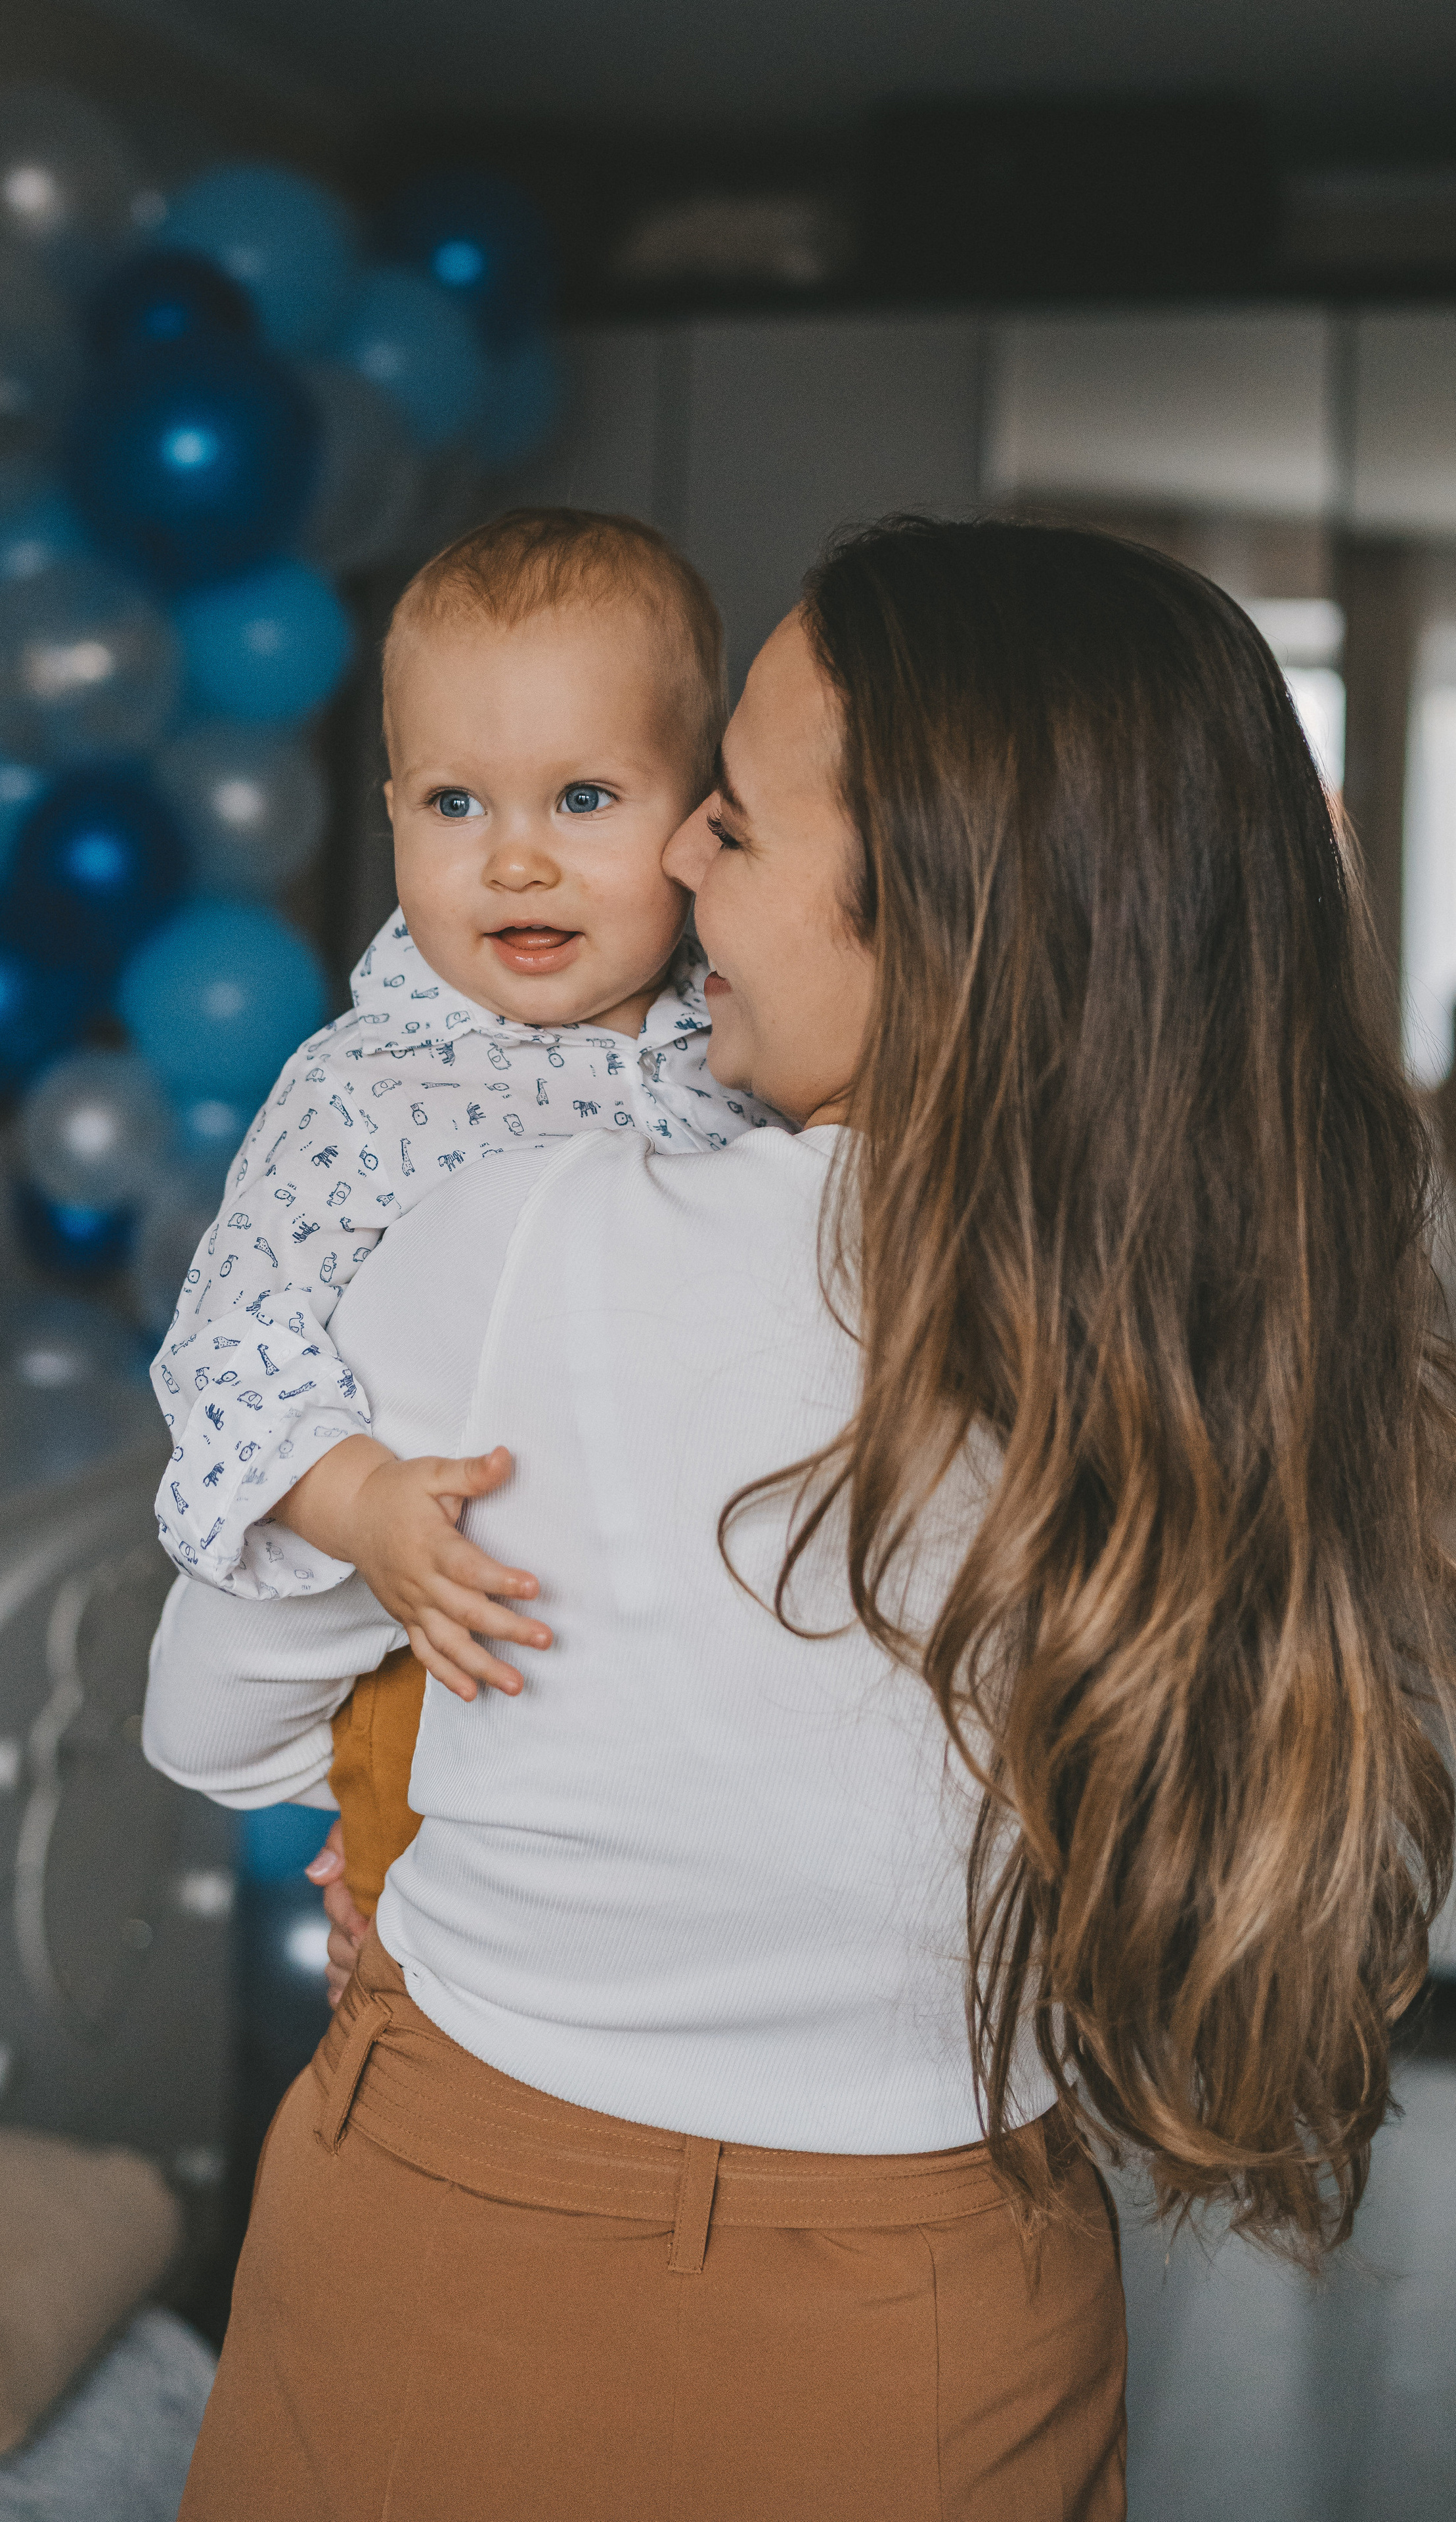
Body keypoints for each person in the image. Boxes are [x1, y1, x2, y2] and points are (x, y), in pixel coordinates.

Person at [145, 518, 1456, 2521]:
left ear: (924, 911)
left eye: (726, 826)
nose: (665, 862)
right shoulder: (1258, 1324)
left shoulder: (514, 1233)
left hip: (462, 2233)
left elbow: (208, 1724)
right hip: (954, 2305)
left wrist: (416, 1768)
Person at [149, 508, 781, 1913]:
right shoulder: (365, 1088)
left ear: (701, 822)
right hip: (415, 1573)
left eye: (582, 800)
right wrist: (362, 1504)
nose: (514, 862)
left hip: (645, 1624)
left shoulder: (751, 1050)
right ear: (389, 813)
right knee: (203, 1699)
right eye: (454, 805)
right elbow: (231, 1340)